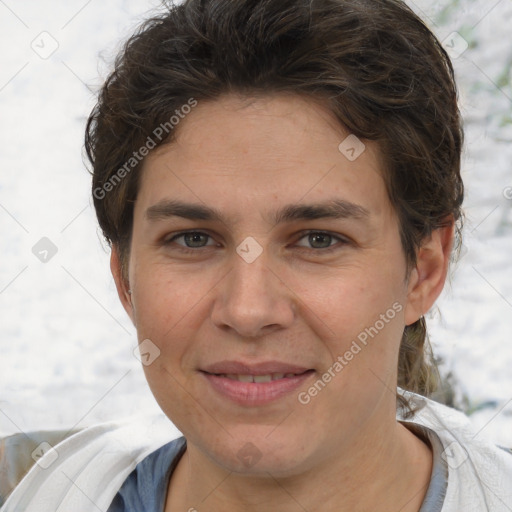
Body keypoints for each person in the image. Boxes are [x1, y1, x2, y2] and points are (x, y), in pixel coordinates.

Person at [1, 0, 511, 511]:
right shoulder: (49, 494)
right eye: (193, 239)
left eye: (318, 239)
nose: (248, 311)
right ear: (125, 280)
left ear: (423, 272)